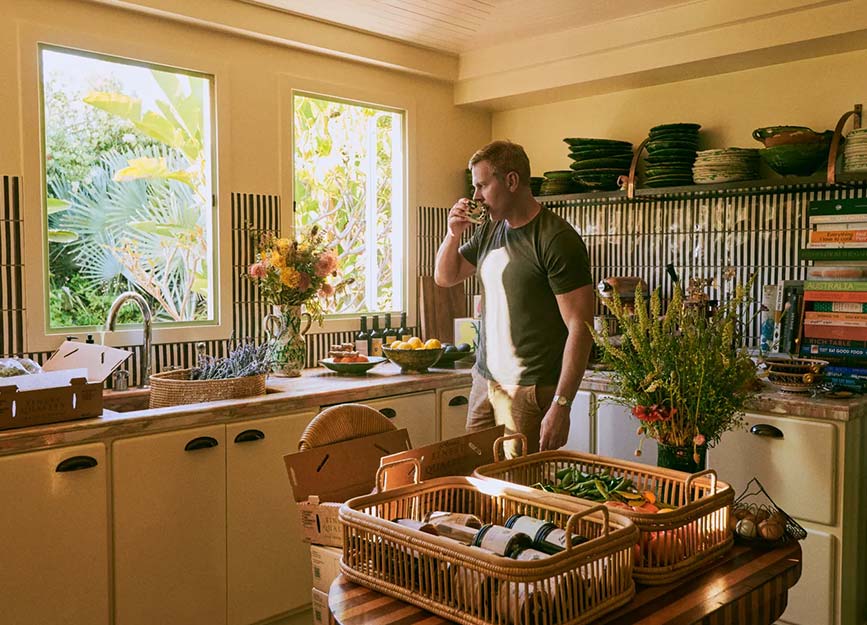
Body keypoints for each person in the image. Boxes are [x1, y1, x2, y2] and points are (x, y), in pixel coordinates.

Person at [434, 140, 594, 454]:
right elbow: (445, 276)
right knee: (478, 483)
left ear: (511, 181)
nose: (476, 196)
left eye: (482, 185)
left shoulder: (556, 238)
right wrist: (453, 233)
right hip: (485, 381)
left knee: (519, 492)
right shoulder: (489, 230)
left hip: (530, 390)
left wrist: (562, 405)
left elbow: (581, 327)